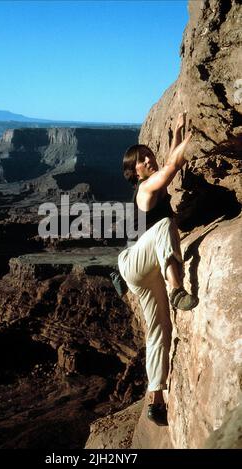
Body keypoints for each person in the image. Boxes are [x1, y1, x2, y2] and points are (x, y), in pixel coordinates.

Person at [118, 112, 198, 426]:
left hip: (145, 272)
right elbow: (170, 167)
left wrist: (177, 132)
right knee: (166, 225)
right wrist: (191, 141)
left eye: (148, 154)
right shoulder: (145, 190)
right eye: (141, 159)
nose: (149, 159)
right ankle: (177, 288)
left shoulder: (153, 182)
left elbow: (165, 162)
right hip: (135, 262)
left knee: (160, 332)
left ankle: (156, 399)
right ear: (133, 171)